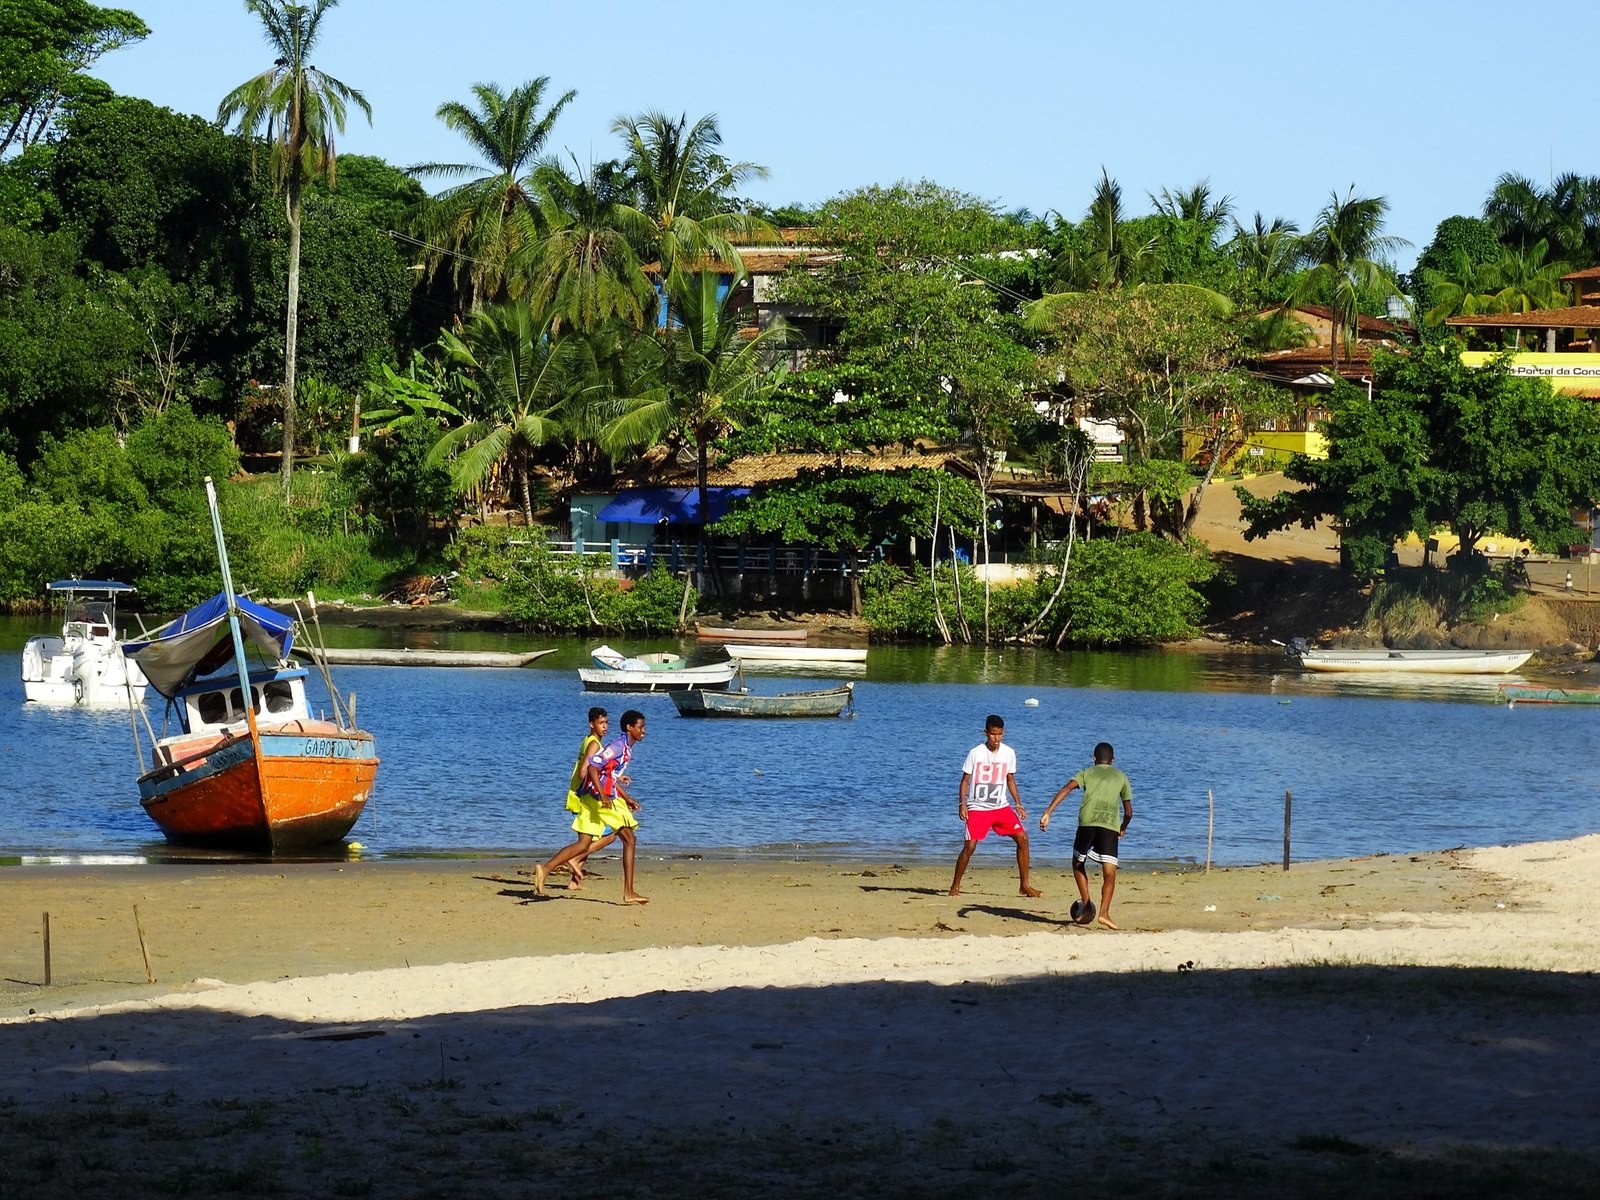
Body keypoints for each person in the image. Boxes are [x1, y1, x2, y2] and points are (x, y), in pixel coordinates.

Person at [534, 709, 649, 904]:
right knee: (629, 839)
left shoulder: (625, 747)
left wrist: (627, 797)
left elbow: (609, 775)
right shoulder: (619, 746)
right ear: (630, 728)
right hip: (598, 798)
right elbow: (593, 767)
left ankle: (544, 870)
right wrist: (604, 795)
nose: (644, 731)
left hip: (591, 796)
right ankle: (629, 892)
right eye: (640, 727)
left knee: (584, 844)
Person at [1039, 741, 1132, 930]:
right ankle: (1104, 914)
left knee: (1077, 863)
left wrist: (1048, 812)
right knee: (1109, 872)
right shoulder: (1121, 777)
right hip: (1109, 826)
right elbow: (1129, 811)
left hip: (1087, 823)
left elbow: (1066, 789)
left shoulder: (1087, 772)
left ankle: (1087, 903)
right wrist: (1123, 826)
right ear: (1112, 760)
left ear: (1094, 759)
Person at [949, 714, 1040, 898]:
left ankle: (1024, 885)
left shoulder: (1009, 753)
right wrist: (962, 803)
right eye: (992, 734)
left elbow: (1010, 779)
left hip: (1000, 807)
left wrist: (1018, 804)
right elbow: (965, 780)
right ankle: (955, 886)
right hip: (978, 807)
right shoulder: (976, 753)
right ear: (986, 733)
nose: (996, 738)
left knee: (1022, 838)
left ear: (1003, 733)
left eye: (999, 734)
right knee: (970, 846)